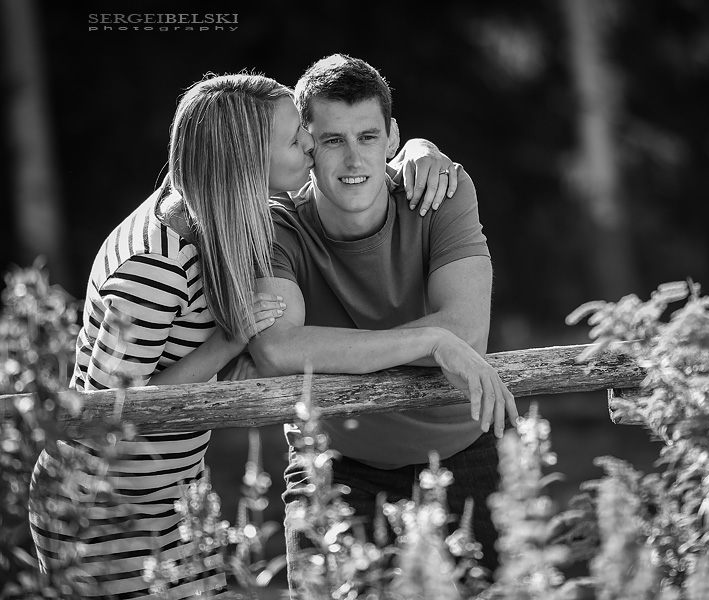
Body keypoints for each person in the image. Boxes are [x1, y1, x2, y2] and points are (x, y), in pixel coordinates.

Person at [28, 72, 459, 600]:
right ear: (248, 157)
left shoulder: (211, 221)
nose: (309, 141)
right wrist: (229, 342)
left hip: (170, 498)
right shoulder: (155, 263)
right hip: (105, 512)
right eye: (295, 137)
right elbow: (110, 414)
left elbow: (357, 144)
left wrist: (419, 148)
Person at [248, 54, 518, 590]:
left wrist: (444, 339)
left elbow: (466, 334)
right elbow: (278, 349)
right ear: (306, 146)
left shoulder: (441, 192)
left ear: (393, 137)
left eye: (368, 136)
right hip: (335, 462)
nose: (353, 159)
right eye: (331, 141)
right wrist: (429, 338)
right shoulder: (277, 227)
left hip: (461, 448)